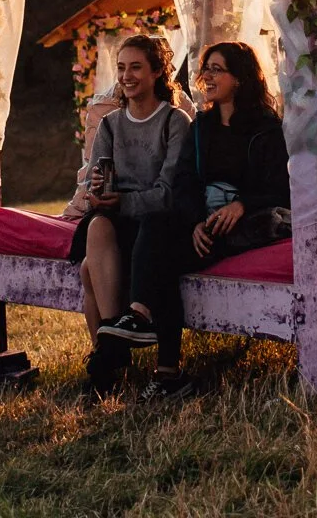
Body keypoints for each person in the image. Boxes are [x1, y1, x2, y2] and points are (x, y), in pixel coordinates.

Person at [103, 40, 290, 402]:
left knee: (164, 260)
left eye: (217, 69)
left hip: (249, 221)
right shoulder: (202, 126)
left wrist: (242, 206)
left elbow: (280, 187)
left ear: (240, 78)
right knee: (157, 229)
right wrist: (193, 222)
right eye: (205, 69)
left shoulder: (267, 128)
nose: (207, 76)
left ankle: (164, 365)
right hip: (205, 220)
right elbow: (186, 182)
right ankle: (144, 323)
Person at [64, 34, 193, 393]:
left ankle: (107, 356)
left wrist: (122, 201)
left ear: (156, 73)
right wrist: (98, 193)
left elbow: (168, 194)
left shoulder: (175, 121)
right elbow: (96, 177)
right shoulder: (110, 124)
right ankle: (113, 345)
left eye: (136, 67)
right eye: (121, 68)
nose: (126, 76)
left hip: (154, 222)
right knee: (98, 225)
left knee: (92, 269)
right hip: (113, 218)